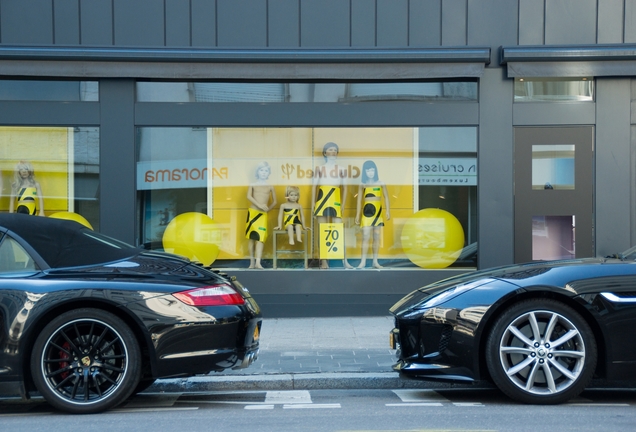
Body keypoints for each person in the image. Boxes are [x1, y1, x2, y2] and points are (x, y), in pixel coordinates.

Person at [311, 142, 352, 269]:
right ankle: (324, 261)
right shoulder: (319, 169)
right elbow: (314, 187)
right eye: (330, 149)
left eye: (335, 150)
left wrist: (343, 204)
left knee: (338, 229)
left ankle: (344, 260)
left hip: (335, 198)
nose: (333, 152)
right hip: (322, 198)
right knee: (322, 231)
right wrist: (313, 202)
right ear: (325, 153)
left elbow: (345, 187)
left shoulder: (342, 169)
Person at [355, 160, 390, 269]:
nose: (370, 172)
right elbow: (359, 200)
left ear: (375, 171)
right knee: (365, 236)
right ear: (365, 172)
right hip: (366, 212)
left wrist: (388, 211)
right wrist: (357, 214)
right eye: (368, 170)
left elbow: (386, 197)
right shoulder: (363, 184)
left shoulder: (381, 183)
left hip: (378, 212)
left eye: (372, 170)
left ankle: (375, 261)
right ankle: (363, 262)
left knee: (377, 236)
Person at [246, 161, 277, 269]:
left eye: (266, 170)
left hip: (263, 214)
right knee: (251, 237)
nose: (263, 172)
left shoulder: (270, 186)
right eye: (261, 170)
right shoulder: (253, 185)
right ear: (257, 172)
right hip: (253, 212)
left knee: (260, 238)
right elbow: (249, 196)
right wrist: (259, 204)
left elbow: (275, 201)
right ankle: (251, 261)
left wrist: (268, 209)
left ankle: (258, 262)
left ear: (269, 173)